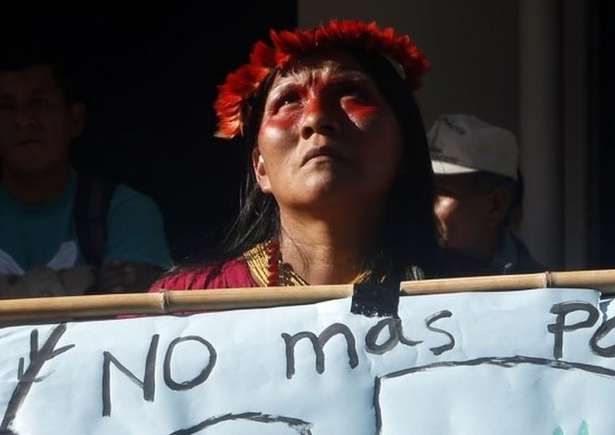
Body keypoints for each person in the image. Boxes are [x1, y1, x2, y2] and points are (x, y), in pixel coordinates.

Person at [152, 20, 485, 292]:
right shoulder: (182, 308)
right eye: (288, 101)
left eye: (350, 94)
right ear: (261, 168)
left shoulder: (486, 301)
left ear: (404, 146)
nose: (316, 118)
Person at [0, 47, 173, 298]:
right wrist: (88, 284)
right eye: (6, 107)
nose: (24, 121)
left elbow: (133, 315)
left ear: (75, 119)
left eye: (39, 103)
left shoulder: (124, 210)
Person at [429, 114, 542, 274]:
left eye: (440, 193)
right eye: (421, 191)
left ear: (496, 205)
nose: (421, 205)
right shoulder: (396, 277)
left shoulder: (543, 294)